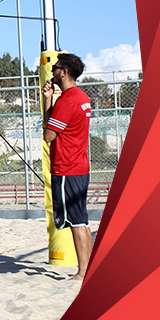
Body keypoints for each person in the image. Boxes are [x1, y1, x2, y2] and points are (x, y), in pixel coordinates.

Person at [42, 52, 94, 281]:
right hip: (80, 166)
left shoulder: (68, 100)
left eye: (55, 67)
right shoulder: (81, 96)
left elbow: (48, 135)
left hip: (67, 168)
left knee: (76, 222)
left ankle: (82, 272)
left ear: (64, 72)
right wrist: (48, 100)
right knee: (81, 220)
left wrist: (51, 103)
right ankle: (88, 268)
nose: (52, 70)